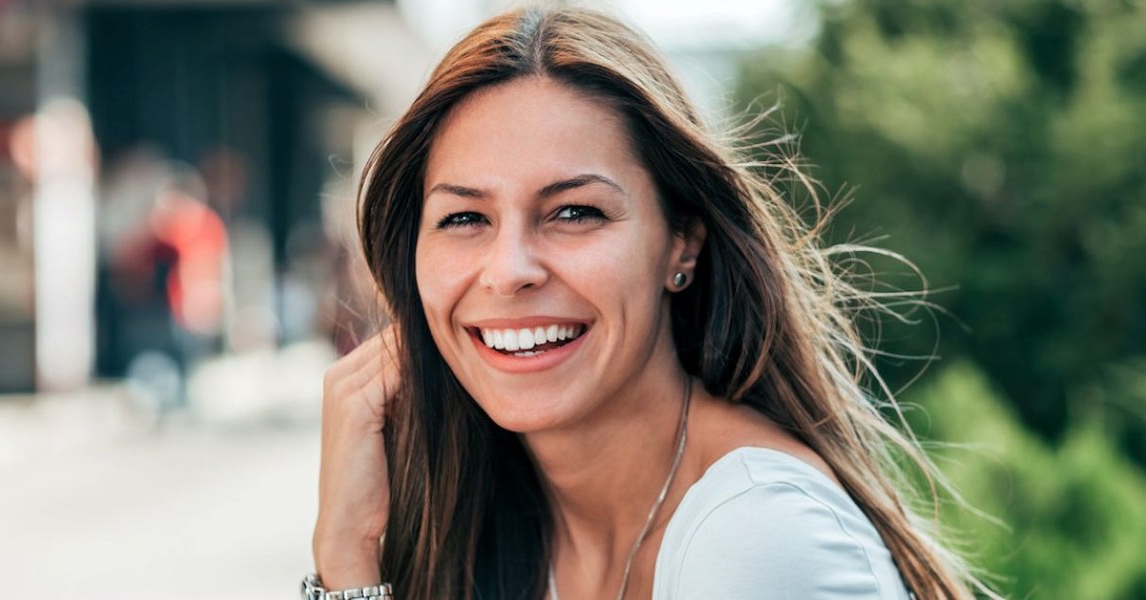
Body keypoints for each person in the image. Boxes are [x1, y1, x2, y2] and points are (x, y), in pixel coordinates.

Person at [310, 6, 995, 600]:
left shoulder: (758, 539)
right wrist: (348, 557)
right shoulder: (504, 516)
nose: (508, 270)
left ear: (681, 246)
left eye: (574, 212)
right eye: (464, 219)